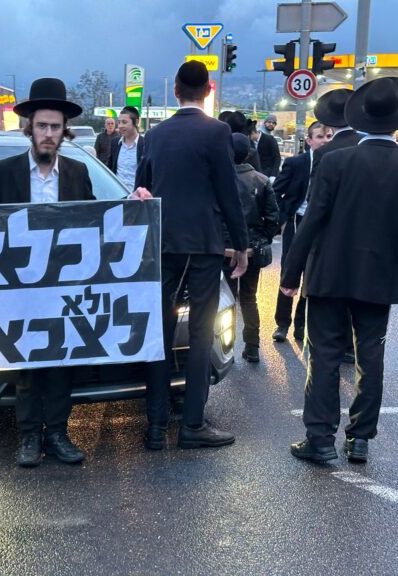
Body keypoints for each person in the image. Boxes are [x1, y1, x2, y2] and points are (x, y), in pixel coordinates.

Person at [0, 78, 113, 467]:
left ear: (64, 131)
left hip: (65, 287)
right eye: (42, 126)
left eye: (55, 127)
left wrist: (135, 206)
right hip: (21, 288)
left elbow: (94, 221)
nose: (49, 134)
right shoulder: (5, 172)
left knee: (62, 362)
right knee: (27, 363)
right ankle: (29, 437)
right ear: (29, 128)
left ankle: (58, 434)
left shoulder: (77, 173)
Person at [282, 77, 398, 464]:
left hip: (328, 273)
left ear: (362, 118)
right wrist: (395, 265)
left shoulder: (334, 161)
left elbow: (312, 221)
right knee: (371, 356)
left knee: (324, 355)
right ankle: (360, 437)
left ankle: (320, 438)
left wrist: (291, 274)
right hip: (380, 276)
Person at [135, 61, 248, 451]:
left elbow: (142, 191)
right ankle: (192, 425)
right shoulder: (217, 132)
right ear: (208, 90)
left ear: (176, 90)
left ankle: (155, 428)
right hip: (203, 245)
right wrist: (241, 245)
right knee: (201, 333)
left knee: (160, 333)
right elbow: (228, 192)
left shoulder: (154, 135)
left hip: (163, 244)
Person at [311, 88, 363, 364]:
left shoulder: (325, 153)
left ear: (329, 122)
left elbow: (316, 203)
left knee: (331, 308)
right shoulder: (365, 146)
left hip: (330, 239)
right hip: (364, 239)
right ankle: (352, 347)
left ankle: (336, 349)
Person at [272, 121, 331, 343]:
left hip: (320, 226)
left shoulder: (335, 163)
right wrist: (282, 219)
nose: (325, 141)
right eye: (320, 137)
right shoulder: (297, 163)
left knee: (312, 274)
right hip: (297, 221)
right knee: (289, 270)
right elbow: (276, 192)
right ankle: (282, 323)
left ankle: (301, 324)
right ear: (309, 141)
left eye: (328, 137)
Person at [225, 133, 279, 363]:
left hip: (224, 248)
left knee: (224, 300)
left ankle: (224, 348)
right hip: (252, 248)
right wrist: (261, 239)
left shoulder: (219, 179)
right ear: (249, 153)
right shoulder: (262, 180)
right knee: (249, 297)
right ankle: (252, 346)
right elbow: (273, 218)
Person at [108, 106, 144, 191]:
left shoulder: (145, 145)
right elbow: (110, 168)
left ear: (136, 122)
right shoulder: (115, 143)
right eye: (119, 122)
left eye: (124, 122)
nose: (120, 126)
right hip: (118, 194)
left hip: (138, 195)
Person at [257, 114, 281, 178]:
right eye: (269, 122)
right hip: (262, 171)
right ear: (264, 122)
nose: (271, 124)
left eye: (273, 123)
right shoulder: (260, 134)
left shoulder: (269, 133)